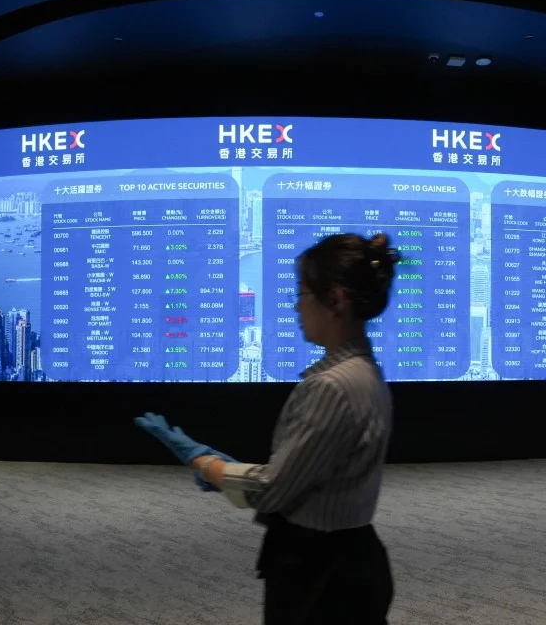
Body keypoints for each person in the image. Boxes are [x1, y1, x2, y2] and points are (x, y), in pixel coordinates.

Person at [136, 232, 399, 624]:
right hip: (350, 558)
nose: (296, 306)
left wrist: (206, 464)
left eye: (303, 293)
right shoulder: (364, 372)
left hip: (321, 572)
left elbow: (274, 490)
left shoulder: (332, 386)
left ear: (336, 300)